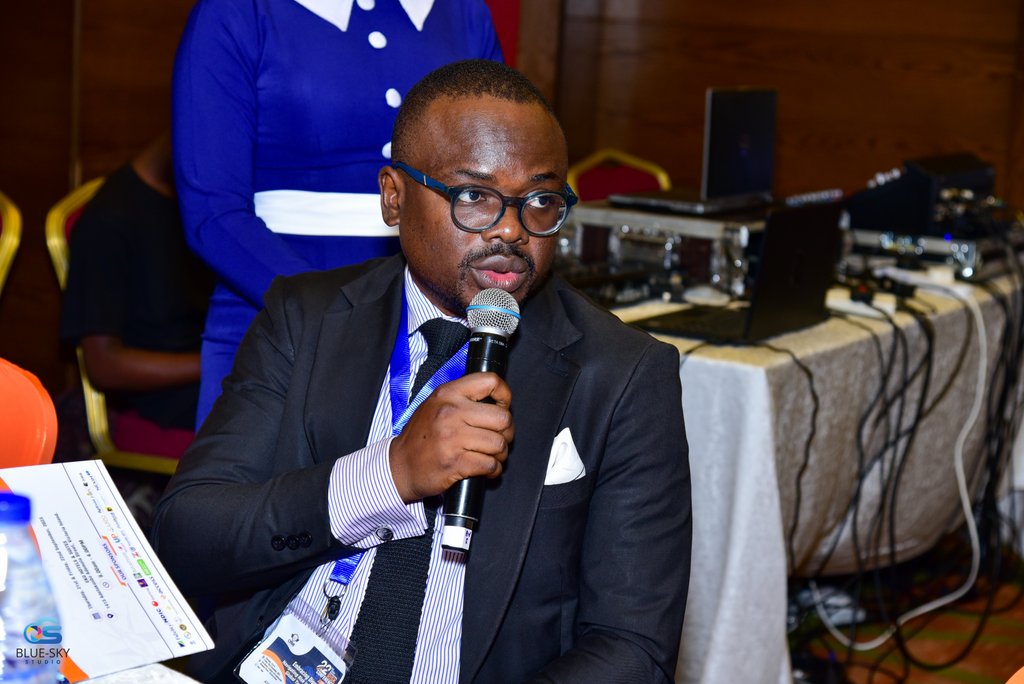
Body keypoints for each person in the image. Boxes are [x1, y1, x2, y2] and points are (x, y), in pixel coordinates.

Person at [152, 60, 691, 683]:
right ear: (394, 196)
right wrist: (391, 475)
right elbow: (188, 535)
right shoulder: (306, 318)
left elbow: (632, 646)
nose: (511, 230)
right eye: (474, 197)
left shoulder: (622, 374)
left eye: (540, 200)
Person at [172, 0, 504, 427]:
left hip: (441, 317)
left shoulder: (462, 11)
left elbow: (501, 176)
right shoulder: (239, 11)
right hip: (273, 313)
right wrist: (343, 315)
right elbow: (212, 213)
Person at [59, 132, 213, 438]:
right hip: (164, 395)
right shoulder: (109, 219)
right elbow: (104, 366)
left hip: (208, 371)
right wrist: (218, 362)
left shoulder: (197, 202)